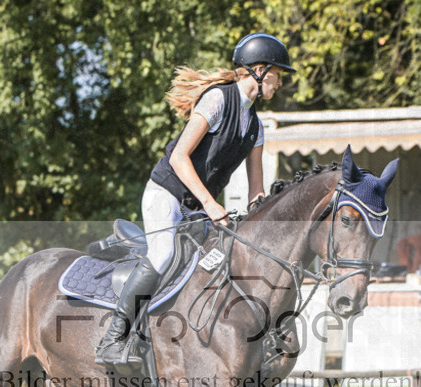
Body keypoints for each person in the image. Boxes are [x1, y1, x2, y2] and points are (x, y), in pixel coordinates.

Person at [96, 33, 295, 368]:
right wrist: (211, 203)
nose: (278, 84)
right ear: (258, 71)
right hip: (167, 194)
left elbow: (255, 190)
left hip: (198, 210)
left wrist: (267, 221)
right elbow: (179, 158)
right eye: (276, 75)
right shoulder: (217, 100)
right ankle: (113, 339)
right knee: (163, 255)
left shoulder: (256, 127)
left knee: (218, 264)